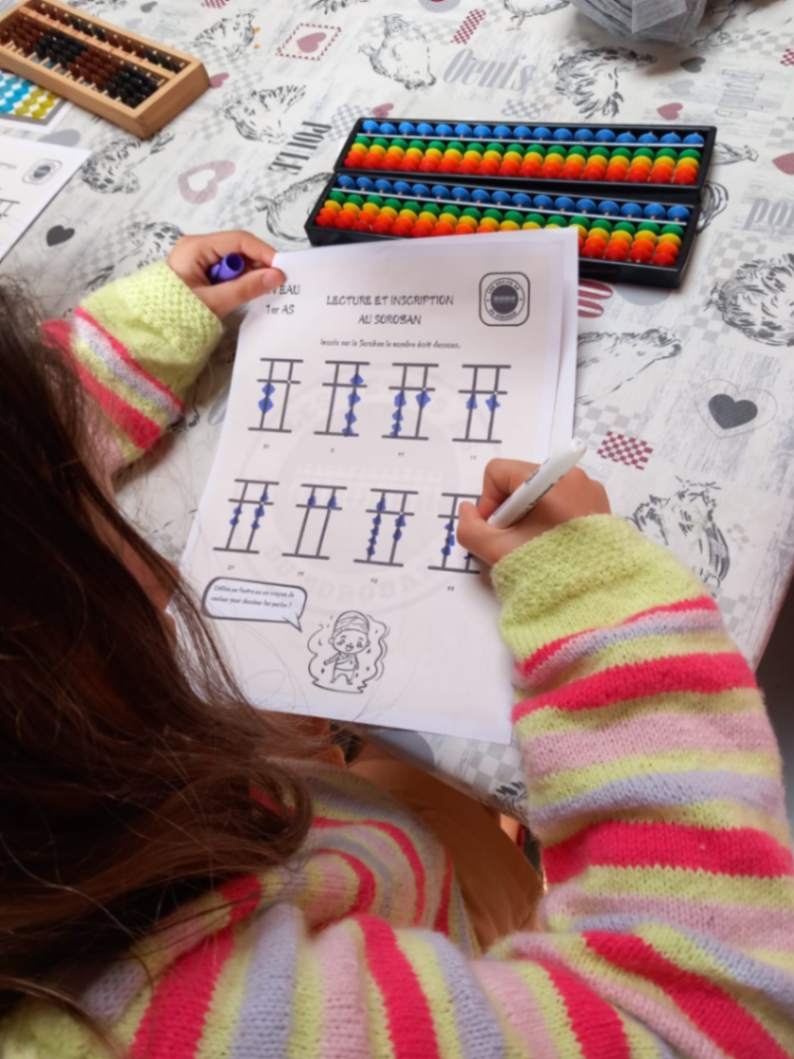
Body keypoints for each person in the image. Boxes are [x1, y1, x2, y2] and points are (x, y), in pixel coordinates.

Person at [1, 230, 792, 1059]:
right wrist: (598, 593)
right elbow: (705, 1020)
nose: (161, 569)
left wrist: (134, 334)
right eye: (84, 532)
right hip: (438, 954)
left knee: (409, 780)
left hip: (328, 833)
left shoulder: (45, 834)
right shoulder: (179, 1025)